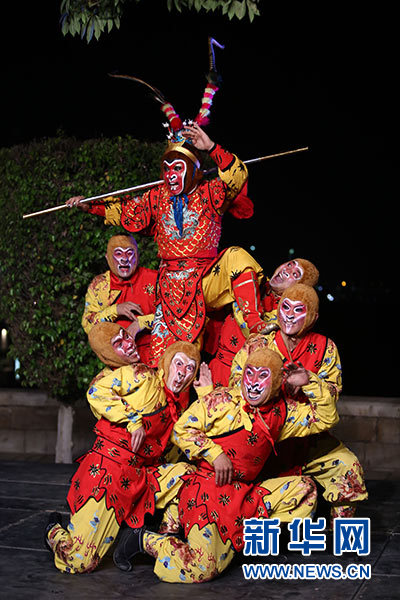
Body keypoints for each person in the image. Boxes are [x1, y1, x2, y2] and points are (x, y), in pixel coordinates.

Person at [110, 344, 343, 583]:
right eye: (249, 373)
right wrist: (214, 454)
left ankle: (246, 546)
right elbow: (181, 429)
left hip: (246, 493)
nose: (253, 383)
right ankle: (142, 539)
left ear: (275, 382)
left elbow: (326, 418)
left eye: (263, 376)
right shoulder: (221, 400)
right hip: (209, 490)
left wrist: (309, 382)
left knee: (304, 489)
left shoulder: (283, 411)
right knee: (202, 569)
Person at [67, 121, 268, 367]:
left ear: (193, 170)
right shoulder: (157, 196)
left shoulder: (210, 192)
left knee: (236, 256)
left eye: (178, 168)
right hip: (172, 287)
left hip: (206, 277)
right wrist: (91, 206)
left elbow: (236, 178)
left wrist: (211, 147)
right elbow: (128, 212)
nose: (170, 175)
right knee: (173, 359)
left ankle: (255, 323)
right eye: (167, 168)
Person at [44, 338, 201, 574]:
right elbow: (97, 391)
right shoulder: (143, 376)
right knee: (79, 562)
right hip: (109, 473)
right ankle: (52, 529)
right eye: (179, 363)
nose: (182, 373)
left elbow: (179, 448)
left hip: (140, 477)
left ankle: (156, 537)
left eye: (190, 368)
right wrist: (133, 420)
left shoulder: (178, 408)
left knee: (188, 475)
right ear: (167, 363)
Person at [230, 283, 368, 525]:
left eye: (298, 309)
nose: (290, 315)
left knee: (347, 466)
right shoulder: (257, 344)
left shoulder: (326, 348)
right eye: (285, 307)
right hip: (263, 435)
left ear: (313, 316)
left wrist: (309, 382)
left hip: (307, 435)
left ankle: (342, 534)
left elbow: (332, 395)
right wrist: (273, 390)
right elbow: (236, 385)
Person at [209, 258, 319, 387]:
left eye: (295, 274)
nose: (287, 270)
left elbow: (251, 330)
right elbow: (236, 258)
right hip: (211, 362)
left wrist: (245, 294)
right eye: (290, 264)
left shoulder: (286, 317)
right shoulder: (257, 282)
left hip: (240, 378)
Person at [82, 234, 157, 365]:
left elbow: (175, 317)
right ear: (108, 257)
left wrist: (141, 323)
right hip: (120, 363)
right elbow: (89, 326)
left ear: (137, 256)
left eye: (129, 253)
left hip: (156, 355)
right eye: (118, 254)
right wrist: (115, 310)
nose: (124, 259)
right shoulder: (100, 286)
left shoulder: (154, 279)